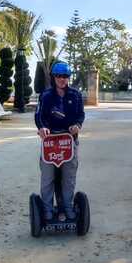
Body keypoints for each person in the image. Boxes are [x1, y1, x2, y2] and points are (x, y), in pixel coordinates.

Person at [35, 62, 85, 221]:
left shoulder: (75, 95)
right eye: (58, 76)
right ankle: (48, 209)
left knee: (68, 177)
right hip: (50, 141)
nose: (62, 79)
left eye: (65, 76)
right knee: (47, 177)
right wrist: (42, 127)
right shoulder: (46, 95)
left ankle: (68, 207)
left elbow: (80, 115)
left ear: (68, 78)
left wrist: (77, 125)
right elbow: (39, 116)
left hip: (69, 141)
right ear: (54, 77)